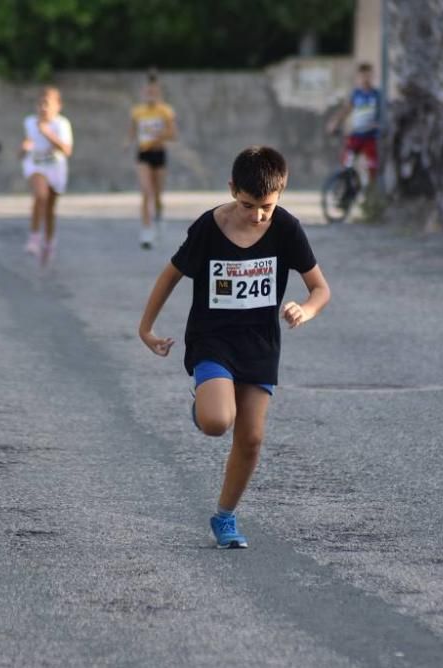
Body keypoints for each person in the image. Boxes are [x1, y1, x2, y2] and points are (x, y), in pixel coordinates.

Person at [137, 146, 331, 549]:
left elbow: (320, 288)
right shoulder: (209, 227)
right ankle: (204, 403)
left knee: (252, 437)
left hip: (259, 345)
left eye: (267, 207)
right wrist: (146, 328)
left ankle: (224, 517)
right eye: (247, 205)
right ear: (231, 190)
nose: (258, 215)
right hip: (214, 339)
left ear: (281, 194)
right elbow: (171, 275)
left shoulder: (287, 229)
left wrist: (306, 310)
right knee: (215, 422)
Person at [21, 87, 73, 265]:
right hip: (36, 165)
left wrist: (47, 133)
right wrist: (24, 148)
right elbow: (24, 148)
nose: (43, 107)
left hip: (56, 167)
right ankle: (34, 238)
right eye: (40, 103)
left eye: (47, 104)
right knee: (40, 195)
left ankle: (49, 243)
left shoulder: (61, 124)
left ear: (58, 106)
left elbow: (66, 150)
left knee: (50, 209)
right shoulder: (29, 122)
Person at [129, 72, 177, 250]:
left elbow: (173, 134)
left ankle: (158, 214)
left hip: (159, 154)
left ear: (158, 93)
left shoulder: (165, 111)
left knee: (157, 194)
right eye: (147, 91)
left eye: (154, 92)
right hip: (143, 155)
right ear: (143, 92)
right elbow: (133, 133)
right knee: (146, 191)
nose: (150, 94)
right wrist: (127, 142)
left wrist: (157, 137)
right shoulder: (137, 112)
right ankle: (146, 231)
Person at [326, 62, 381, 183]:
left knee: (372, 165)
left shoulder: (377, 95)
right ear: (359, 77)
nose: (365, 79)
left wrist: (378, 124)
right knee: (347, 161)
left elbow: (383, 115)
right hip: (357, 134)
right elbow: (346, 110)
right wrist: (335, 122)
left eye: (368, 76)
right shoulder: (356, 94)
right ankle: (347, 185)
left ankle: (371, 191)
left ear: (372, 76)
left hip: (371, 136)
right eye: (363, 76)